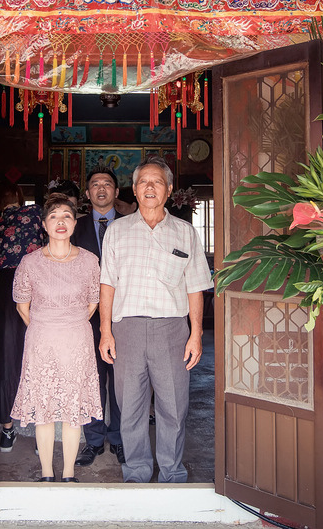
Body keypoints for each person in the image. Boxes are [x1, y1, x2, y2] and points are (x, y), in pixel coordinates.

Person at [98, 157, 213, 483]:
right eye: (143, 182)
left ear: (169, 189)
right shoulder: (117, 231)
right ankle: (136, 473)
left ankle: (172, 474)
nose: (150, 187)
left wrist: (196, 333)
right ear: (133, 189)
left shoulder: (185, 232)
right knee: (130, 408)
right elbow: (107, 283)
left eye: (157, 182)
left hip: (171, 330)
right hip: (127, 329)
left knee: (173, 408)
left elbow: (195, 287)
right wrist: (106, 331)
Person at [11, 193, 103, 482]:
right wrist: (46, 324)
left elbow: (93, 302)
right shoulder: (30, 262)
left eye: (66, 216)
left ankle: (68, 473)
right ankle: (48, 473)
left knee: (72, 407)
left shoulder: (90, 261)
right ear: (44, 224)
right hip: (42, 341)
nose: (60, 222)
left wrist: (68, 322)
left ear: (75, 223)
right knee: (45, 407)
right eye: (53, 217)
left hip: (77, 339)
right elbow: (22, 306)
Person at [70, 167, 125, 466]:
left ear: (117, 192)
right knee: (90, 379)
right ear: (88, 194)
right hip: (84, 318)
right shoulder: (73, 228)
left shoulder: (132, 226)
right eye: (95, 184)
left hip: (123, 315)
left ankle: (118, 438)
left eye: (107, 184)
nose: (101, 188)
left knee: (121, 382)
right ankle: (93, 440)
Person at [0, 182, 43, 452]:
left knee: (7, 355)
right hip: (35, 283)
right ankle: (40, 433)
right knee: (37, 355)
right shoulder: (36, 214)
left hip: (5, 288)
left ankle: (7, 428)